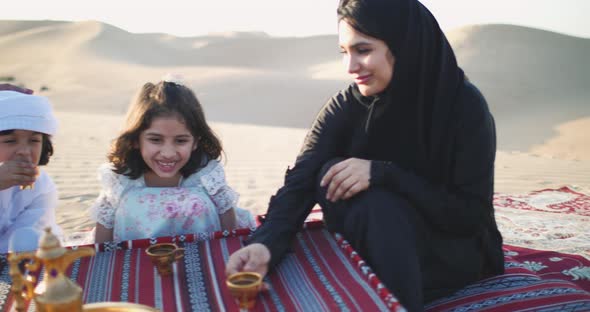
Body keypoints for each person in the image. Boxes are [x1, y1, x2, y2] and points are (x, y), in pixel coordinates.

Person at [225, 0, 504, 310]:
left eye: (363, 50)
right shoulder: (346, 106)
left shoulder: (463, 107)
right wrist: (265, 245)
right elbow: (301, 182)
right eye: (344, 52)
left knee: (377, 201)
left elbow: (468, 214)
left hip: (447, 253)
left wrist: (383, 173)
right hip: (373, 245)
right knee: (332, 170)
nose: (350, 67)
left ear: (403, 45)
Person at [91, 78, 254, 243]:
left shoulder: (206, 173)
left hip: (202, 255)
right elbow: (105, 226)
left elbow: (226, 214)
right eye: (155, 140)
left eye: (181, 141)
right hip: (137, 262)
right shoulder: (120, 179)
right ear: (135, 139)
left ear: (195, 141)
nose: (168, 153)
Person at [0, 91, 62, 253]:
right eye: (10, 141)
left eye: (34, 141)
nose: (25, 151)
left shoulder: (42, 185)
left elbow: (31, 232)